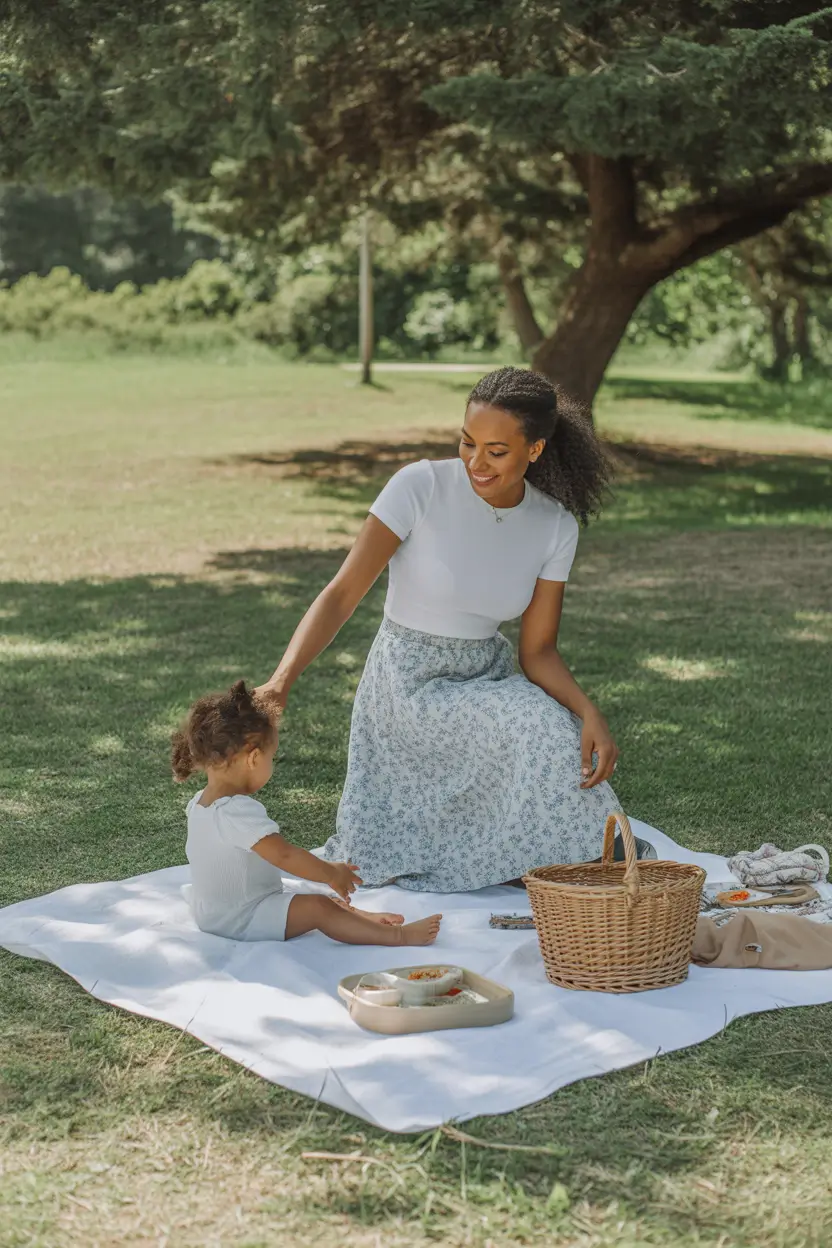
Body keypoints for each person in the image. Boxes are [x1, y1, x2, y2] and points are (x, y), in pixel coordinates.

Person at [257, 366, 651, 892]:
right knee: (533, 720)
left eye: (496, 450)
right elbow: (342, 593)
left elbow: (538, 652)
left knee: (548, 725)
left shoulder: (555, 525)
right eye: (467, 443)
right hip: (407, 686)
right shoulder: (419, 486)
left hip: (484, 676)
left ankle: (566, 855)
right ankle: (588, 855)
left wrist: (588, 712)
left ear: (534, 450)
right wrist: (282, 680)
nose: (476, 462)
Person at [171, 680, 442, 945]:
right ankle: (399, 936)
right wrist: (330, 873)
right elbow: (284, 855)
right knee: (317, 908)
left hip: (212, 911)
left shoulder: (200, 802)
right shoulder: (236, 810)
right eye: (271, 756)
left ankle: (359, 919)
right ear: (254, 758)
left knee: (305, 892)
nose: (271, 763)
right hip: (241, 917)